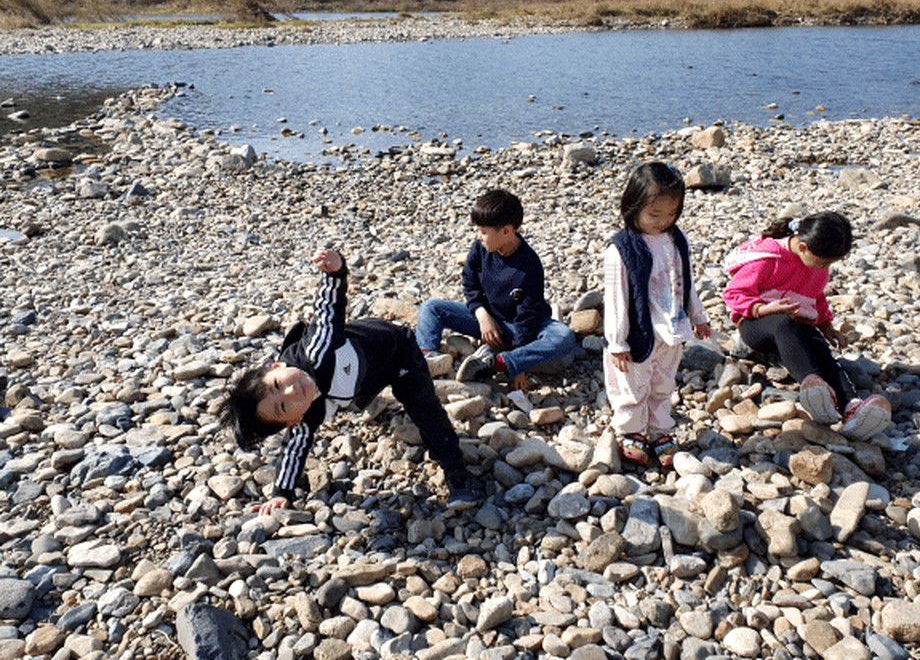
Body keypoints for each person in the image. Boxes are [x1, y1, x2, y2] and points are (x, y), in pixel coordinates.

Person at [222, 249, 485, 514]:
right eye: (282, 406)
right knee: (345, 393)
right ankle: (367, 399)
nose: (292, 391)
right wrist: (282, 493)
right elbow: (293, 450)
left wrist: (335, 274)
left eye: (279, 384)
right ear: (292, 421)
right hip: (358, 380)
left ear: (276, 366)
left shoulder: (317, 350)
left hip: (396, 350)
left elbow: (327, 311)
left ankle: (457, 474)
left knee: (424, 410)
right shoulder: (303, 419)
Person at [721, 212, 891, 440]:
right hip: (756, 326)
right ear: (803, 247)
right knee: (785, 324)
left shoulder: (817, 267)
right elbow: (734, 293)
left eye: (830, 263)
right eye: (823, 262)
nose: (825, 268)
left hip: (796, 327)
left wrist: (827, 327)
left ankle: (851, 405)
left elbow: (816, 297)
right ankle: (812, 384)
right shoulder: (768, 259)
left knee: (819, 348)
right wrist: (763, 309)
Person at [604, 162, 712, 469]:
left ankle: (660, 428)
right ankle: (631, 430)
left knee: (664, 382)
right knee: (632, 384)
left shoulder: (677, 240)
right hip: (640, 331)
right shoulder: (621, 249)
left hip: (673, 327)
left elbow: (685, 281)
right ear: (632, 205)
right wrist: (617, 342)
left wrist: (697, 315)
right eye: (654, 215)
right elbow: (616, 299)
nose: (663, 222)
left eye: (671, 214)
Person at [416, 189, 576, 390]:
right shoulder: (480, 249)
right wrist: (483, 315)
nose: (479, 236)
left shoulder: (529, 266)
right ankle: (426, 360)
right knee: (432, 307)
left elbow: (528, 316)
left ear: (507, 231)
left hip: (523, 326)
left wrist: (519, 365)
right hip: (488, 321)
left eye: (484, 231)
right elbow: (469, 283)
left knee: (565, 337)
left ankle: (498, 363)